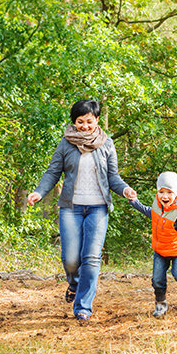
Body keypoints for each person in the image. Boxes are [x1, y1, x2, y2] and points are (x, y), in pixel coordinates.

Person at [27, 99, 137, 322]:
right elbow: (52, 172)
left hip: (98, 208)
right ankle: (75, 285)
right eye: (80, 122)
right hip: (71, 207)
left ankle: (83, 307)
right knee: (70, 259)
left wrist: (125, 190)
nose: (85, 126)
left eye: (89, 121)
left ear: (97, 120)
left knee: (91, 257)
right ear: (74, 122)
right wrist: (39, 192)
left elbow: (113, 177)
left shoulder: (107, 144)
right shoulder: (66, 144)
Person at [128, 171, 177, 318]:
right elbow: (150, 212)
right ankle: (160, 304)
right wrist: (135, 202)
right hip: (160, 250)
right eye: (161, 192)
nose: (164, 196)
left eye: (169, 192)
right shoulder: (158, 205)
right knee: (157, 279)